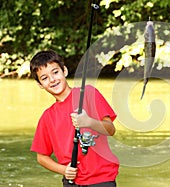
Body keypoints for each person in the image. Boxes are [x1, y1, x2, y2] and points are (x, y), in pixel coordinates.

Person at [30, 50, 119, 187]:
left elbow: (110, 129)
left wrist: (89, 122)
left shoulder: (88, 93)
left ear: (64, 71)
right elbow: (41, 157)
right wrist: (63, 170)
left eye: (55, 72)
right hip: (72, 182)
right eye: (44, 78)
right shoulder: (47, 117)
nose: (52, 80)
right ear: (40, 85)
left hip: (102, 179)